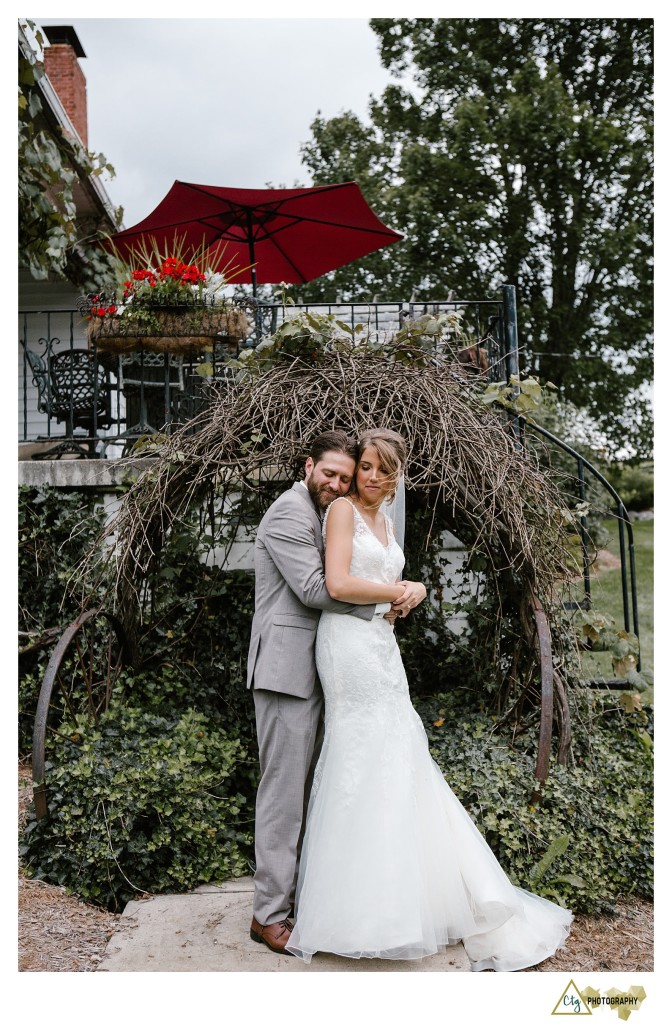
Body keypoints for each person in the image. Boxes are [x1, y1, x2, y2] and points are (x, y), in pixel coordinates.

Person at [285, 428, 573, 969]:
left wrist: (410, 590)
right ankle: (355, 910)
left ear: (395, 475)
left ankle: (413, 897)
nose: (370, 477)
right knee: (360, 754)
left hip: (380, 643)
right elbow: (340, 583)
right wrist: (401, 591)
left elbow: (382, 584)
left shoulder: (388, 519)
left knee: (400, 752)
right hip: (347, 647)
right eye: (364, 466)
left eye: (381, 469)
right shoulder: (342, 511)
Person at [247, 430, 425, 955]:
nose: (339, 483)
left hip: (336, 665)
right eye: (330, 473)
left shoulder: (334, 509)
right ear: (307, 466)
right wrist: (393, 596)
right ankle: (268, 915)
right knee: (284, 794)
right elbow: (314, 587)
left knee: (326, 785)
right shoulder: (288, 512)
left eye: (345, 477)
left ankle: (311, 900)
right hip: (286, 670)